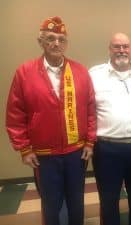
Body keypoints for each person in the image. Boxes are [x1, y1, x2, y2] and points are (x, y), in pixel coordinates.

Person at [6, 16, 96, 225]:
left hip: (76, 152)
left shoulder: (80, 71)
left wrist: (90, 142)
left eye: (61, 39)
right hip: (44, 155)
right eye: (51, 38)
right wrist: (24, 148)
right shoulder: (25, 72)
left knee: (76, 201)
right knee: (50, 203)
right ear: (41, 42)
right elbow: (15, 114)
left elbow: (91, 108)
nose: (57, 43)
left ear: (66, 43)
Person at [89, 32, 131, 225]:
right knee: (108, 199)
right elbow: (86, 109)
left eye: (125, 46)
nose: (121, 50)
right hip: (106, 149)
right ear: (109, 49)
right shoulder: (94, 74)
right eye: (117, 46)